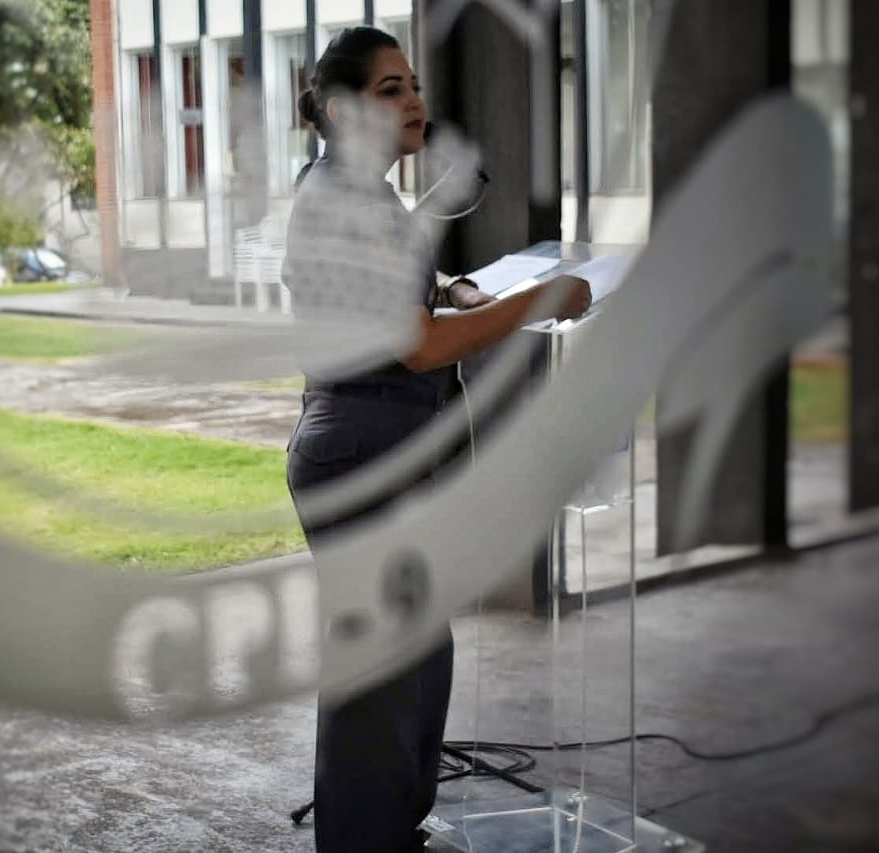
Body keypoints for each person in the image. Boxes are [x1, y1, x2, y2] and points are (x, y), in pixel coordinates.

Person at [283, 27, 591, 853]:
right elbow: (413, 343)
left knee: (413, 658)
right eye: (391, 90)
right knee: (382, 675)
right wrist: (539, 300)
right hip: (365, 455)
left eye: (413, 83)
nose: (415, 100)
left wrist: (457, 286)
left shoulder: (357, 192)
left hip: (386, 452)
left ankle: (389, 828)